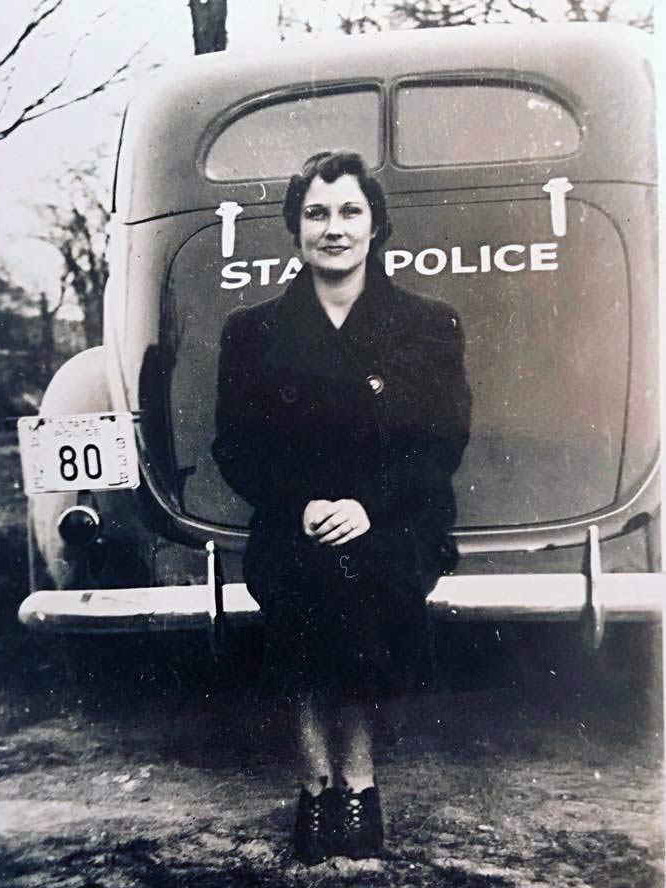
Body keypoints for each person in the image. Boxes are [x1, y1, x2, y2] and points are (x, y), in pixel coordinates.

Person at [212, 150, 471, 864]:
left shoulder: (427, 325)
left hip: (395, 518)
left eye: (350, 211)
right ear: (295, 227)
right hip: (294, 520)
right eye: (316, 213)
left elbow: (442, 442)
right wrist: (299, 506)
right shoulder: (253, 331)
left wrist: (369, 507)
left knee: (360, 595)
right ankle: (314, 785)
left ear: (376, 225)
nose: (334, 228)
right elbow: (234, 447)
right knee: (302, 592)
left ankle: (358, 785)